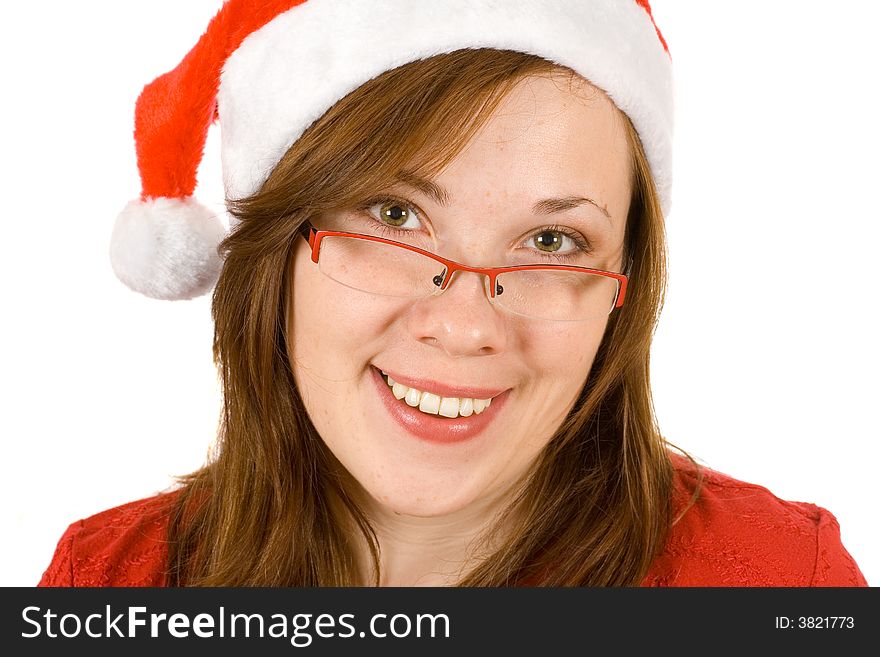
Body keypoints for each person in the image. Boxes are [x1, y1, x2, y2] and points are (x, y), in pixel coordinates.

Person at [38, 0, 866, 587]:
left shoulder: (783, 585)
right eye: (396, 216)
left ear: (624, 286)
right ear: (277, 250)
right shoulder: (109, 585)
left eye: (552, 242)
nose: (466, 325)